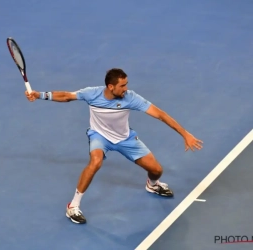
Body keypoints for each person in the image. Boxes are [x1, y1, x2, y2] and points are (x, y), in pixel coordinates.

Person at [25, 68, 203, 224]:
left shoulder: (131, 98)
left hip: (125, 139)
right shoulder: (91, 94)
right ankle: (73, 206)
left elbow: (160, 114)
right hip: (99, 136)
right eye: (122, 86)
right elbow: (66, 96)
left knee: (156, 170)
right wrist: (39, 94)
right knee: (95, 162)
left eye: (126, 85)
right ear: (111, 87)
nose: (126, 89)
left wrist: (185, 134)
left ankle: (153, 184)